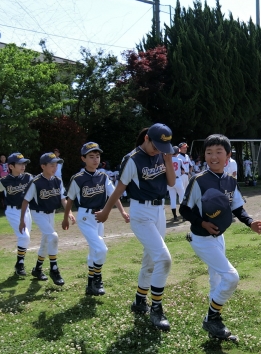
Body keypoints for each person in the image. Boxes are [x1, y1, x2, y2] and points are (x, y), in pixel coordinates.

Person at [179, 134, 261, 340]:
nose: (213, 156)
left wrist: (250, 222)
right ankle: (211, 318)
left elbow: (237, 207)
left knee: (215, 282)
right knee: (231, 277)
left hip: (219, 238)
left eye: (219, 152)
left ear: (228, 157)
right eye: (209, 152)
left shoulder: (230, 181)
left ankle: (214, 329)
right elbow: (185, 209)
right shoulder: (198, 180)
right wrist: (202, 223)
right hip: (201, 238)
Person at [95, 123, 176, 331]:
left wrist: (167, 159)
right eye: (156, 145)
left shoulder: (162, 154)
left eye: (163, 146)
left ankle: (140, 300)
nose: (158, 149)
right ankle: (156, 308)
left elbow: (172, 183)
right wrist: (106, 211)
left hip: (159, 212)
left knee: (150, 259)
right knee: (164, 259)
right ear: (147, 138)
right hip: (141, 213)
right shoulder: (132, 159)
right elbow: (120, 188)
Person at [62, 142, 130, 296]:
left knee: (94, 252)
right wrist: (66, 218)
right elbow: (70, 199)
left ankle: (89, 284)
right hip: (85, 217)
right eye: (91, 157)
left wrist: (122, 212)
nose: (95, 160)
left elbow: (114, 195)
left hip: (100, 217)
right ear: (83, 158)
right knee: (101, 249)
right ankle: (97, 279)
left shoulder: (103, 176)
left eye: (97, 156)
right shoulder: (78, 178)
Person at [19, 152, 75, 286]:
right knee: (53, 236)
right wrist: (22, 220)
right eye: (51, 165)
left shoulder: (57, 180)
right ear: (43, 166)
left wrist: (69, 212)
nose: (54, 168)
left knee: (46, 241)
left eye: (56, 165)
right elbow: (25, 201)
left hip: (51, 213)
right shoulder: (36, 182)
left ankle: (37, 269)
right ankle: (54, 269)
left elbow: (63, 198)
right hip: (38, 213)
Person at [0, 153, 34, 276]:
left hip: (26, 211)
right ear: (11, 166)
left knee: (25, 238)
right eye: (20, 163)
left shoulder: (28, 177)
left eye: (24, 163)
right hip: (12, 211)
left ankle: (19, 263)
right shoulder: (5, 180)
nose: (23, 166)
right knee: (24, 237)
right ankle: (20, 264)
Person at [167, 146, 185, 221]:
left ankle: (175, 216)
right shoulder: (179, 159)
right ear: (178, 152)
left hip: (169, 181)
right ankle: (183, 215)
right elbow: (183, 170)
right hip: (177, 179)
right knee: (182, 197)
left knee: (172, 198)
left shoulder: (168, 160)